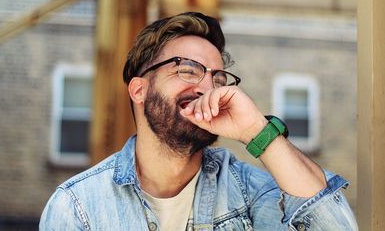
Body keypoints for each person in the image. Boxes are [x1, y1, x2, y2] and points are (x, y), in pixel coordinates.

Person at [40, 12, 358, 230]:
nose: (206, 87)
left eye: (217, 78)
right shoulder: (78, 206)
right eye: (187, 69)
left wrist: (256, 131)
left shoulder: (247, 193)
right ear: (139, 89)